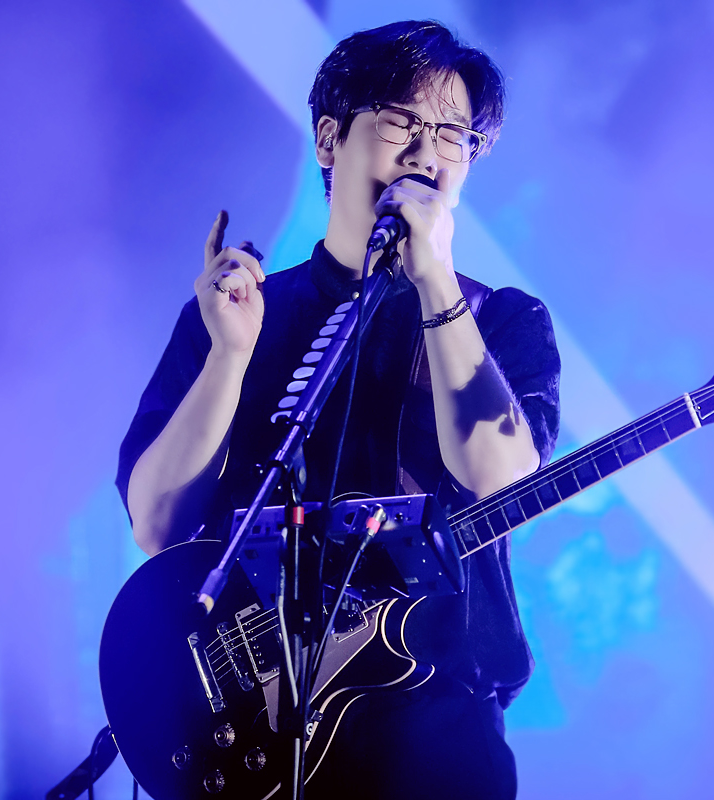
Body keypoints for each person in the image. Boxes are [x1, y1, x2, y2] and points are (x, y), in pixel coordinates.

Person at [116, 20, 560, 800]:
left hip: (438, 740)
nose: (426, 152)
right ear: (329, 138)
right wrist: (229, 356)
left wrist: (436, 279)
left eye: (453, 136)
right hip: (252, 732)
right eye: (401, 122)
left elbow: (498, 479)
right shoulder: (240, 310)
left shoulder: (504, 322)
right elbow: (156, 524)